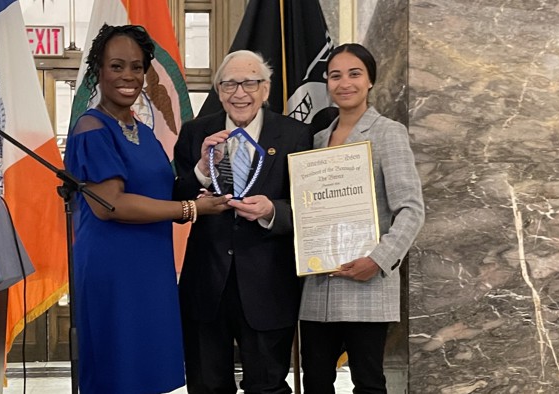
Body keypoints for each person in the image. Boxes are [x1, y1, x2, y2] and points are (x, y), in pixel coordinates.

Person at [63, 24, 231, 393]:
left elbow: (158, 190)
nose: (128, 76)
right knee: (119, 370)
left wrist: (202, 173)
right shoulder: (92, 128)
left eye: (137, 67)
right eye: (117, 66)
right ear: (98, 72)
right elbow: (111, 204)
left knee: (147, 371)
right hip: (114, 267)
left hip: (150, 266)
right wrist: (189, 210)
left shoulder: (141, 129)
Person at [173, 50, 312, 394]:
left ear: (266, 89)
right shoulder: (195, 133)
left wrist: (272, 212)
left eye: (250, 82)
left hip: (269, 287)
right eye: (230, 84)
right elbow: (177, 196)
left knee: (267, 387)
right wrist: (200, 172)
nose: (240, 93)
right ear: (218, 90)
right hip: (206, 286)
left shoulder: (296, 135)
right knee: (206, 386)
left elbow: (310, 208)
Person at [298, 43, 425, 393]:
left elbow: (412, 209)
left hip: (366, 285)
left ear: (370, 80)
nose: (344, 83)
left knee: (368, 384)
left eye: (355, 74)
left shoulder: (388, 133)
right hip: (318, 285)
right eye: (335, 75)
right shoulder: (318, 139)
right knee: (315, 384)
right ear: (327, 82)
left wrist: (378, 260)